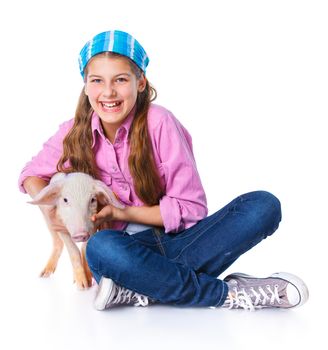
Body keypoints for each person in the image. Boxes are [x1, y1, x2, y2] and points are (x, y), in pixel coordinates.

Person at [19, 30, 309, 311]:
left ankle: (140, 287)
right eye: (97, 80)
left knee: (263, 206)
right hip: (123, 250)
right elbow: (31, 174)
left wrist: (123, 213)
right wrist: (53, 208)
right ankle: (225, 295)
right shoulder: (73, 132)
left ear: (140, 82)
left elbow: (191, 209)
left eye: (120, 79)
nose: (108, 92)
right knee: (101, 247)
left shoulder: (160, 123)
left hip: (181, 242)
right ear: (85, 85)